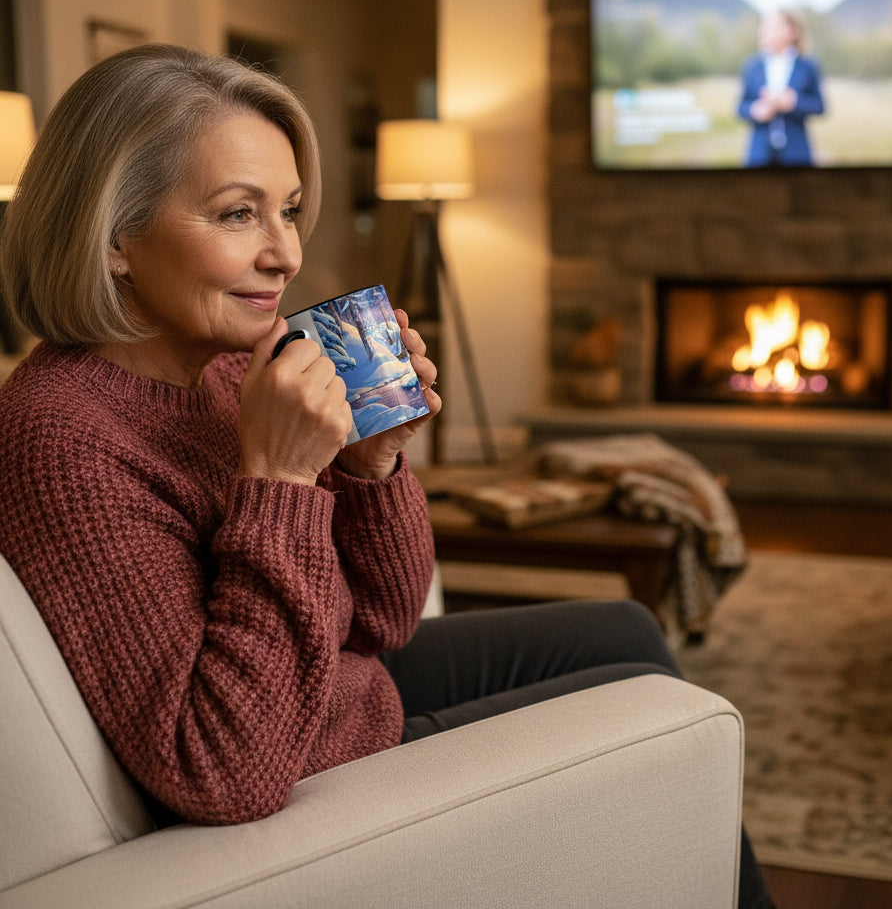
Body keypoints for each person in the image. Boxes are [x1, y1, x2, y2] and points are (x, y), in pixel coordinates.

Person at [0, 44, 774, 907]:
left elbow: (385, 617)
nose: (285, 254)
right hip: (305, 756)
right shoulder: (62, 439)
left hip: (340, 691)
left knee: (626, 630)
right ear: (114, 241)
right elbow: (222, 768)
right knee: (657, 709)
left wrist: (371, 464)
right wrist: (283, 483)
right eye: (236, 215)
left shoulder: (226, 373)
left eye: (288, 211)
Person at [738, 8, 825, 167]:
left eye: (773, 26)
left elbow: (820, 106)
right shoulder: (752, 66)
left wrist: (793, 102)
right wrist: (755, 110)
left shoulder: (807, 66)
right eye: (764, 26)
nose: (766, 31)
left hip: (797, 154)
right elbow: (740, 107)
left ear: (792, 31)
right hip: (759, 154)